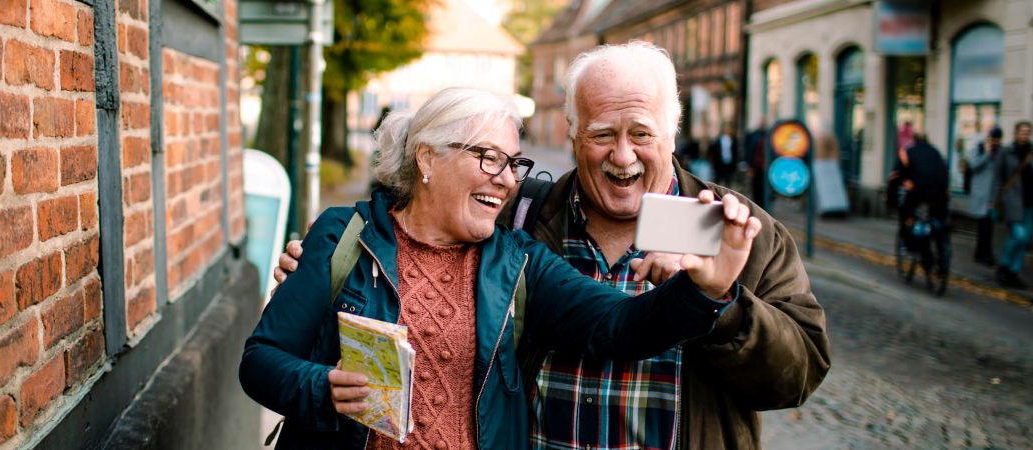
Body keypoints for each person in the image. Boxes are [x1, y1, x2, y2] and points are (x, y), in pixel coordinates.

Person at [275, 41, 828, 449]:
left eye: (641, 133)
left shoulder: (730, 228)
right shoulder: (520, 216)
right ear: (572, 134)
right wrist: (324, 280)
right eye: (602, 135)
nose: (623, 156)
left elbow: (797, 372)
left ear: (673, 131)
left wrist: (720, 300)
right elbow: (415, 238)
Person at [890, 133, 951, 281]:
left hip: (918, 193)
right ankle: (943, 259)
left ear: (914, 141)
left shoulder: (907, 152)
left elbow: (895, 176)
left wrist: (891, 199)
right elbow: (944, 172)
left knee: (908, 219)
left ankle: (920, 253)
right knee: (938, 224)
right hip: (940, 195)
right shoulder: (936, 152)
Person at [994, 121, 1033, 288]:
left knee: (1024, 241)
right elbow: (997, 178)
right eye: (1022, 132)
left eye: (1027, 132)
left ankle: (1013, 272)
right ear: (1015, 133)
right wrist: (993, 201)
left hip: (1030, 202)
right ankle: (1004, 264)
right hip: (1013, 200)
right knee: (1019, 235)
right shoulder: (1006, 152)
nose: (1025, 135)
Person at [969, 127, 1003, 266]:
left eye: (997, 139)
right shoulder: (979, 148)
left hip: (992, 195)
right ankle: (983, 254)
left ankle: (983, 254)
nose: (994, 142)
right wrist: (987, 154)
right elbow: (974, 165)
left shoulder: (1000, 151)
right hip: (981, 194)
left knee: (988, 226)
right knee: (984, 225)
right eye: (993, 138)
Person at [744, 118, 768, 203]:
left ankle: (763, 204)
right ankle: (757, 204)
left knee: (764, 188)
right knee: (755, 187)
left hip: (766, 166)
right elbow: (749, 150)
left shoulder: (769, 135)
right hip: (756, 166)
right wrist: (749, 165)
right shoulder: (754, 135)